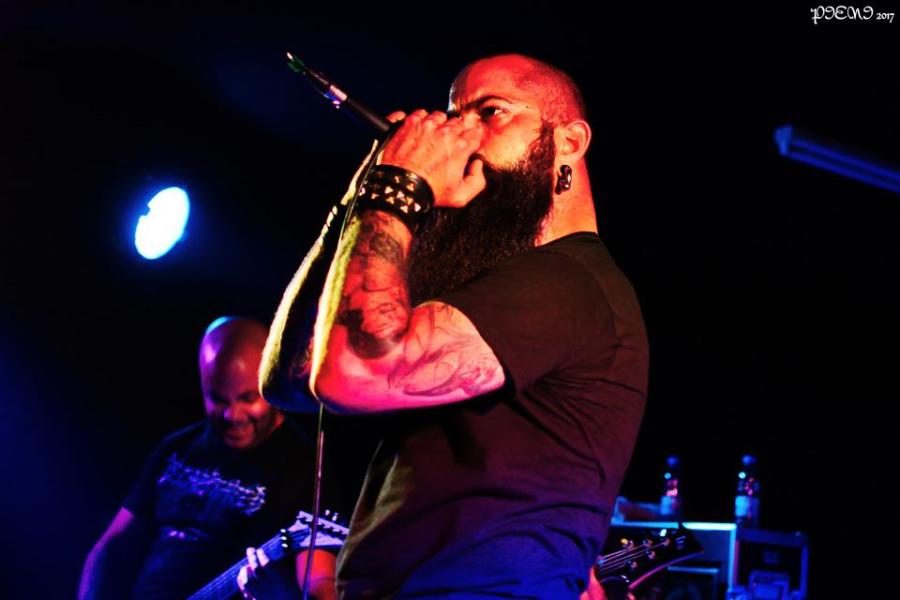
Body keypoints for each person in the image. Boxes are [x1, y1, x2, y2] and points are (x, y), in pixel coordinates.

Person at [261, 53, 649, 599]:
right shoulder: (499, 286)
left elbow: (353, 373)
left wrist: (396, 187)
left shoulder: (569, 282)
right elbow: (291, 380)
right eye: (454, 115)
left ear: (570, 141)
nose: (461, 134)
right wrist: (357, 201)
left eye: (491, 112)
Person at [78, 316, 337, 600]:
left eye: (248, 398)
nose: (233, 415)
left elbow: (320, 582)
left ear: (271, 383)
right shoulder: (178, 446)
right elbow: (113, 547)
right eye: (218, 399)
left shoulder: (307, 466)